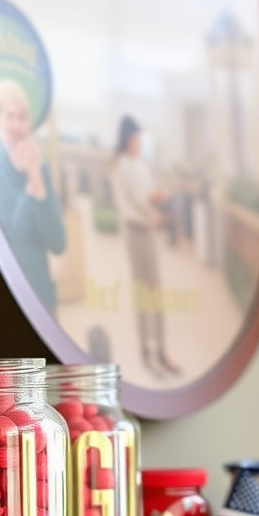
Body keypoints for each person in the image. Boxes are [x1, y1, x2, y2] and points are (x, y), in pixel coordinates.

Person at [0, 79, 66, 312]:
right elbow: (10, 236)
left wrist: (35, 176)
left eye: (22, 117)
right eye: (9, 116)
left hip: (43, 295)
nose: (16, 125)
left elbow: (58, 242)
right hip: (10, 292)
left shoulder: (40, 167)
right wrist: (31, 190)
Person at [111, 115, 180, 377]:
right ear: (129, 139)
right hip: (138, 232)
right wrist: (159, 197)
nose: (139, 142)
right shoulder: (126, 166)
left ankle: (155, 350)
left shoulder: (136, 164)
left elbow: (148, 196)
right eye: (137, 138)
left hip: (142, 230)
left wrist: (159, 194)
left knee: (149, 292)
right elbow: (143, 199)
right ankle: (154, 352)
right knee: (149, 292)